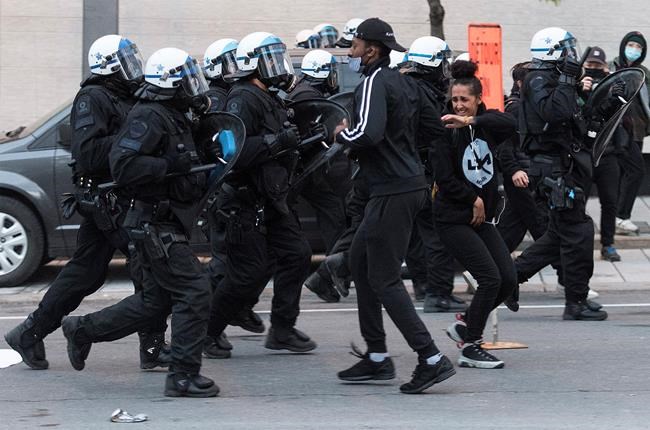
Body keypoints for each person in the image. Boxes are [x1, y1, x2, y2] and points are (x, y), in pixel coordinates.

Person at [4, 35, 170, 371]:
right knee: (147, 267)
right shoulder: (93, 97)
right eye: (126, 62)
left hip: (118, 196)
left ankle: (30, 332)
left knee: (87, 273)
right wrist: (134, 140)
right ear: (109, 67)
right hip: (108, 199)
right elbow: (88, 152)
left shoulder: (128, 95)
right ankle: (149, 348)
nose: (134, 68)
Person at [60, 47, 220, 398]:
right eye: (188, 80)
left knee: (155, 303)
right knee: (194, 291)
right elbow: (124, 165)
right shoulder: (149, 116)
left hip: (164, 222)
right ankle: (181, 375)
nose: (194, 86)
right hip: (153, 224)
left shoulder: (174, 115)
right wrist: (169, 168)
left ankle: (82, 330)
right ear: (171, 84)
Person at [335, 18, 455, 394]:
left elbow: (367, 133)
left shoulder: (374, 81)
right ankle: (376, 357)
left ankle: (431, 358)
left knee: (384, 278)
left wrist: (340, 134)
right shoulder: (403, 83)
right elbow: (433, 128)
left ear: (371, 49)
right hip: (402, 186)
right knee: (360, 261)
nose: (350, 52)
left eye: (353, 45)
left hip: (392, 190)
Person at [204, 32, 316, 359]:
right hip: (243, 201)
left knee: (297, 254)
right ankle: (207, 331)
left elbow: (281, 141)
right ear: (253, 63)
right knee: (246, 273)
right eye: (270, 58)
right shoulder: (242, 97)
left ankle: (282, 329)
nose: (277, 65)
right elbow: (229, 150)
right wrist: (275, 142)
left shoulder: (270, 96)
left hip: (271, 200)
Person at [514, 27, 607, 321]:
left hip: (564, 166)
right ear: (553, 51)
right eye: (566, 49)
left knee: (556, 237)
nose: (572, 55)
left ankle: (506, 281)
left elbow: (574, 121)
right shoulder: (538, 79)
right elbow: (554, 113)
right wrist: (569, 81)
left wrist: (599, 96)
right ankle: (575, 302)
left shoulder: (556, 81)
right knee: (577, 233)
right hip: (551, 169)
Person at [436, 60, 518, 369]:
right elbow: (444, 178)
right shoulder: (444, 129)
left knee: (508, 279)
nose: (458, 105)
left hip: (480, 218)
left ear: (477, 100)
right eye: (454, 99)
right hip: (453, 217)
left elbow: (509, 124)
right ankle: (471, 346)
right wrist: (473, 198)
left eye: (464, 100)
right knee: (489, 278)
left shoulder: (484, 125)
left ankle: (467, 323)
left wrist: (473, 122)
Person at [201, 39, 265, 359]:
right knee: (223, 263)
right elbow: (226, 149)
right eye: (228, 62)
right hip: (220, 193)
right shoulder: (216, 99)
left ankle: (226, 315)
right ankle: (206, 328)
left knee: (237, 262)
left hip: (228, 192)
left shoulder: (228, 95)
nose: (235, 67)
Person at [400, 36, 466, 314]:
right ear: (431, 64)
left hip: (413, 171)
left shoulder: (409, 88)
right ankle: (437, 293)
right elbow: (434, 132)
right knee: (438, 233)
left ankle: (426, 287)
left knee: (419, 235)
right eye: (443, 62)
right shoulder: (423, 93)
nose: (446, 68)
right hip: (426, 171)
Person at [580, 47, 622, 262]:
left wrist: (614, 90)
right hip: (584, 154)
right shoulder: (578, 86)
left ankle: (608, 244)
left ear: (605, 67)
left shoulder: (613, 86)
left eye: (598, 66)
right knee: (579, 202)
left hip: (608, 153)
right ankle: (579, 244)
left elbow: (621, 113)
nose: (593, 69)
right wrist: (582, 90)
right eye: (590, 65)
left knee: (610, 202)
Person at [610, 31, 650, 235]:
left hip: (637, 131)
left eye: (639, 47)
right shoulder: (613, 68)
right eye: (631, 45)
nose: (634, 50)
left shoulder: (644, 73)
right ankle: (621, 217)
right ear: (623, 46)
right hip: (617, 130)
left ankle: (616, 217)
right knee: (635, 171)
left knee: (627, 172)